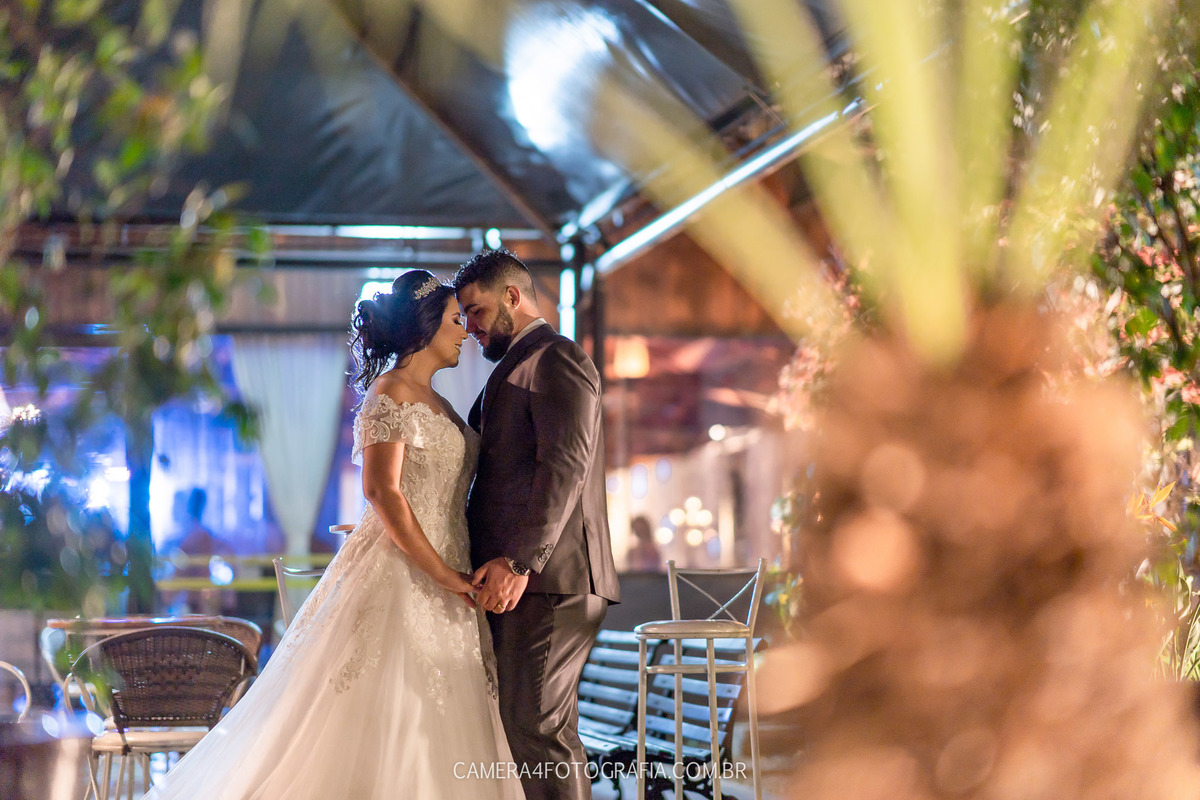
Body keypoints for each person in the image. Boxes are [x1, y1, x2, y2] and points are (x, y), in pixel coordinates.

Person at [144, 270, 523, 799]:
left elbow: (425, 490)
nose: (464, 332)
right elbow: (382, 492)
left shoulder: (439, 402)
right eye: (455, 321)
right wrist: (443, 573)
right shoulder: (389, 393)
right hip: (410, 573)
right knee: (387, 707)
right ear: (423, 328)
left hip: (449, 572)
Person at [454, 249, 620, 800]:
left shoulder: (557, 357)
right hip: (527, 580)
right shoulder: (516, 364)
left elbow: (565, 465)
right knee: (527, 727)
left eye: (475, 311)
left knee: (536, 730)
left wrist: (521, 560)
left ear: (511, 296)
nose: (469, 326)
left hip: (552, 578)